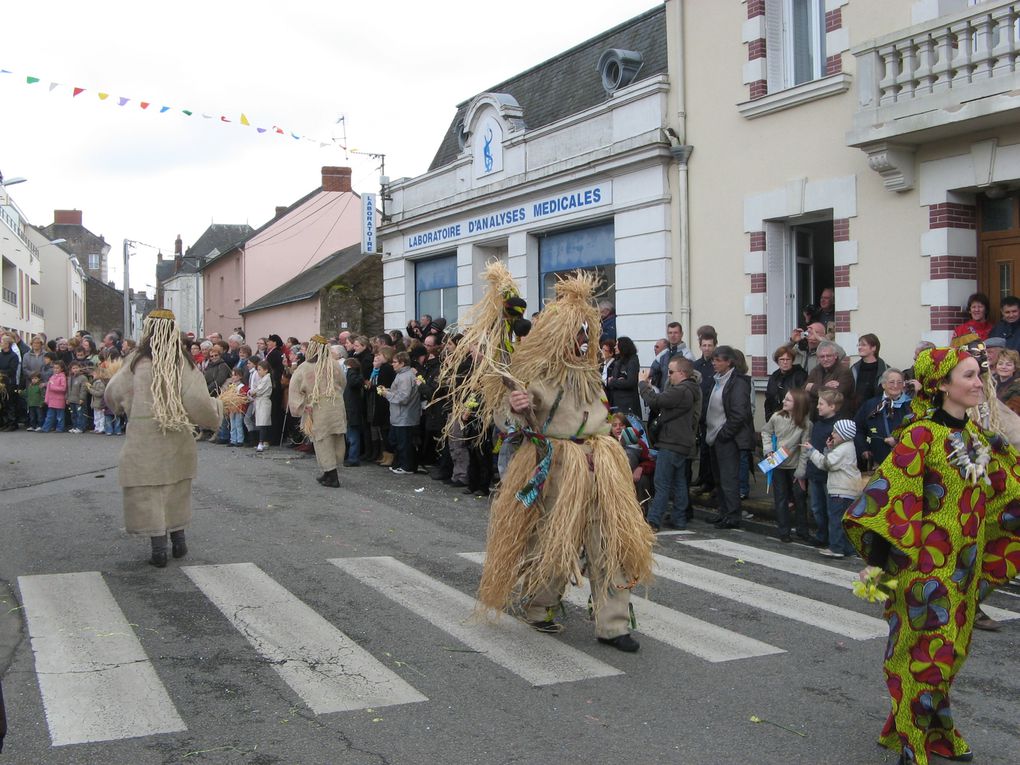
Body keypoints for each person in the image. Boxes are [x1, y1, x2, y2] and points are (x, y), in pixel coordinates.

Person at [442, 264, 653, 651]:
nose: (584, 340)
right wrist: (516, 405)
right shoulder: (538, 377)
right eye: (578, 333)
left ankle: (614, 625)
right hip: (559, 471)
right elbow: (510, 417)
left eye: (588, 333)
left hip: (603, 469)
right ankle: (540, 607)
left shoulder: (591, 375)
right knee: (556, 546)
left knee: (611, 546)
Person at [843, 347, 1020, 765]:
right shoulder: (919, 435)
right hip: (922, 571)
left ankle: (930, 728)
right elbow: (889, 501)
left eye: (981, 375)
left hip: (963, 574)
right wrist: (880, 569)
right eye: (970, 376)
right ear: (942, 384)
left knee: (950, 655)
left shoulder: (976, 438)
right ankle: (913, 741)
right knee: (924, 657)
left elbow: (1005, 488)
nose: (979, 383)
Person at [104, 309, 224, 567]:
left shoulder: (135, 361)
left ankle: (158, 548)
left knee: (149, 491)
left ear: (148, 330)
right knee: (176, 488)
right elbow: (198, 401)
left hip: (143, 438)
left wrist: (121, 407)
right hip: (176, 436)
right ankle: (179, 541)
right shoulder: (184, 363)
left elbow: (113, 391)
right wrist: (216, 412)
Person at [638, 356, 701, 531]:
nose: (669, 375)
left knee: (662, 483)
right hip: (682, 443)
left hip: (671, 442)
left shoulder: (681, 390)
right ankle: (679, 519)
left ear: (682, 373)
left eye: (671, 372)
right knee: (679, 483)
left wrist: (642, 384)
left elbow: (655, 401)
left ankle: (653, 520)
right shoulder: (691, 389)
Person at [288, 335, 348, 487]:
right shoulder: (334, 364)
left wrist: (301, 406)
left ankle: (332, 475)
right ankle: (328, 472)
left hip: (317, 407)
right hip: (335, 405)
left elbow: (294, 390)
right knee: (336, 438)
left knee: (322, 440)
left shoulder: (304, 367)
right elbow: (343, 382)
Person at [705, 345, 754, 529]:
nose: (714, 364)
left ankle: (733, 515)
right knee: (719, 479)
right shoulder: (717, 380)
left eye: (718, 360)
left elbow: (739, 413)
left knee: (729, 478)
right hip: (714, 434)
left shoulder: (738, 382)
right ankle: (723, 511)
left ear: (729, 362)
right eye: (713, 360)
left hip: (726, 437)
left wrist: (724, 434)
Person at [802, 418, 860, 558]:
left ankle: (836, 548)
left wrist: (812, 452)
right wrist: (829, 449)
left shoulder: (843, 449)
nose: (832, 434)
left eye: (835, 432)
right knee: (844, 522)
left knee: (835, 520)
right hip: (848, 491)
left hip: (840, 491)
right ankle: (849, 549)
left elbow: (826, 464)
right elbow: (834, 462)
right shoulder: (846, 447)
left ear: (844, 435)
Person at [760, 388, 811, 543]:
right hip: (777, 464)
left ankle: (803, 530)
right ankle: (784, 530)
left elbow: (804, 449)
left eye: (788, 400)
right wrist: (768, 450)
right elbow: (766, 432)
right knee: (780, 498)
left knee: (799, 498)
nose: (783, 401)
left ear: (798, 404)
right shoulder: (776, 417)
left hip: (794, 466)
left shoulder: (806, 424)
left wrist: (801, 471)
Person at [805, 389, 842, 548]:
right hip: (815, 472)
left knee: (830, 508)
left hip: (829, 475)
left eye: (821, 404)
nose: (818, 407)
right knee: (817, 507)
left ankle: (832, 538)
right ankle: (822, 535)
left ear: (832, 406)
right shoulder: (818, 424)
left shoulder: (838, 427)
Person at [855, 368, 911, 470]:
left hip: (906, 463)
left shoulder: (911, 406)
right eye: (891, 382)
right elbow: (857, 428)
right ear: (883, 384)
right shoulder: (871, 405)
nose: (895, 386)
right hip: (878, 463)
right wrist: (864, 449)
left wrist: (898, 441)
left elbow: (919, 432)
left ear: (904, 385)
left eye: (899, 382)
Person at [382, 351, 421, 475]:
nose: (392, 364)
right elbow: (398, 392)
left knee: (404, 443)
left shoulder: (405, 377)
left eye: (394, 362)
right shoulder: (401, 375)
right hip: (399, 415)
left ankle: (407, 466)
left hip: (404, 415)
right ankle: (400, 463)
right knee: (397, 441)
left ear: (402, 363)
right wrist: (388, 390)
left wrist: (386, 394)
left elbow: (403, 398)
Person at [805, 340, 855, 417]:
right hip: (816, 415)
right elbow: (804, 389)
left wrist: (813, 387)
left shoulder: (844, 371)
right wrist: (826, 387)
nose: (825, 359)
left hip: (838, 416)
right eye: (822, 356)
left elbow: (837, 394)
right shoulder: (815, 370)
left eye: (828, 356)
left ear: (836, 356)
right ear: (818, 358)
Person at [763, 344, 808, 422]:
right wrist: (769, 418)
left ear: (792, 361)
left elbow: (802, 401)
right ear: (777, 361)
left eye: (788, 359)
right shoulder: (774, 376)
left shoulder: (800, 375)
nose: (785, 362)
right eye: (782, 359)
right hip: (775, 418)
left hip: (794, 419)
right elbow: (769, 400)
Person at [850, 333, 888, 410]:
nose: (859, 347)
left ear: (874, 348)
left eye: (863, 345)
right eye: (859, 345)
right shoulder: (854, 369)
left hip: (877, 412)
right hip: (856, 412)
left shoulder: (886, 370)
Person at [606, 336, 641, 416]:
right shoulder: (619, 360)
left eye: (617, 345)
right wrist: (617, 381)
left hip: (627, 405)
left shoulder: (632, 361)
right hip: (618, 403)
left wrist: (614, 381)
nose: (615, 347)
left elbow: (631, 382)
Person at [343, 357, 364, 467]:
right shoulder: (358, 376)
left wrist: (350, 370)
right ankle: (351, 456)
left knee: (352, 435)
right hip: (352, 409)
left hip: (352, 409)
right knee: (351, 435)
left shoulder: (353, 376)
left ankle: (353, 458)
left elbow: (352, 382)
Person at [251, 360, 273, 452]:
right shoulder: (263, 379)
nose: (258, 372)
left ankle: (261, 442)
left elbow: (259, 390)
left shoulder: (267, 379)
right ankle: (263, 442)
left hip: (264, 402)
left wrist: (253, 392)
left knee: (263, 423)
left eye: (260, 369)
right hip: (260, 401)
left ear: (266, 370)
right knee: (261, 423)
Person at [224, 368, 249, 447]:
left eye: (235, 375)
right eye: (232, 375)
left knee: (238, 424)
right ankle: (233, 439)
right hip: (232, 408)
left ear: (240, 376)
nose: (233, 377)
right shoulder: (232, 386)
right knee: (232, 424)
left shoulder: (242, 386)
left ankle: (240, 440)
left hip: (238, 408)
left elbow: (243, 398)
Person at [40, 361, 68, 433]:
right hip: (52, 400)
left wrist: (53, 387)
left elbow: (63, 388)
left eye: (57, 368)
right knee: (49, 415)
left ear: (61, 369)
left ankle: (60, 428)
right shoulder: (52, 377)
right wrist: (46, 399)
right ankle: (46, 428)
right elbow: (48, 390)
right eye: (54, 368)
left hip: (59, 400)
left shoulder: (62, 377)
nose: (55, 369)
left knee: (60, 416)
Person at [993, 348, 1020, 414]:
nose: (1003, 367)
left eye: (1008, 365)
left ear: (1015, 368)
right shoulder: (990, 382)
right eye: (1000, 363)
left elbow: (1012, 411)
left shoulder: (1018, 387)